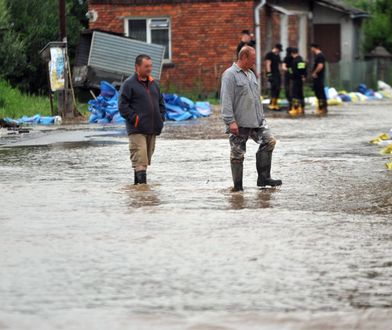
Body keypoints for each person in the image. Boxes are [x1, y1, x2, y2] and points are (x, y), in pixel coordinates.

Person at [220, 46, 282, 192]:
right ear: (243, 57)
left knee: (269, 141)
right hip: (239, 122)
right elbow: (226, 99)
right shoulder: (230, 75)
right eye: (252, 59)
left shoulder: (251, 74)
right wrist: (230, 121)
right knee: (237, 154)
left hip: (256, 121)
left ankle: (264, 178)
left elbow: (255, 99)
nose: (254, 62)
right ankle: (238, 188)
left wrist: (261, 117)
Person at [119, 54, 166, 185]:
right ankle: (143, 196)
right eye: (146, 66)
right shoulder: (129, 84)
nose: (149, 69)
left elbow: (161, 103)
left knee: (144, 161)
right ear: (137, 67)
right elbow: (122, 106)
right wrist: (135, 119)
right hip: (137, 129)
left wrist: (161, 119)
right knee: (140, 161)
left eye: (150, 66)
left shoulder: (154, 84)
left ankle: (138, 194)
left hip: (152, 129)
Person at [288, 48, 307, 117]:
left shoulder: (296, 61)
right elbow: (303, 70)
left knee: (295, 94)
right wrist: (304, 76)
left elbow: (297, 71)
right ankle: (302, 108)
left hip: (296, 79)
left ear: (292, 53)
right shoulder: (301, 60)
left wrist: (291, 75)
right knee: (300, 94)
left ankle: (295, 109)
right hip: (300, 79)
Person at [311, 43, 328, 115]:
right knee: (319, 92)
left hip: (319, 77)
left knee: (319, 93)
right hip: (318, 77)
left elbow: (320, 66)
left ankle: (321, 108)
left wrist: (315, 72)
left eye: (311, 48)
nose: (311, 50)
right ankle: (322, 108)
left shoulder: (320, 56)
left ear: (314, 48)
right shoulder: (318, 56)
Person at [264, 44, 283, 111]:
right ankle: (272, 104)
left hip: (277, 74)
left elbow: (279, 65)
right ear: (276, 48)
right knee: (274, 88)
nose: (279, 52)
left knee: (278, 88)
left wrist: (281, 72)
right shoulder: (270, 54)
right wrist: (269, 74)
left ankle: (275, 103)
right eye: (279, 50)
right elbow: (268, 64)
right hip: (272, 74)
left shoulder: (277, 55)